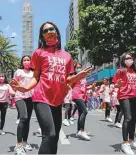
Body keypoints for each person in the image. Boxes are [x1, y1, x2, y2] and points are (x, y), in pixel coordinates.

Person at [10, 21, 92, 154]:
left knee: (54, 139)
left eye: (51, 29)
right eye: (45, 31)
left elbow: (68, 80)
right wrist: (24, 88)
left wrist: (78, 76)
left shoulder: (67, 56)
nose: (49, 32)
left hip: (57, 100)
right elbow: (36, 77)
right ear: (42, 36)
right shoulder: (38, 53)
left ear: (56, 31)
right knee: (50, 135)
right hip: (41, 97)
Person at [112, 52, 136, 155]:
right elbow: (115, 85)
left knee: (134, 119)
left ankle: (132, 140)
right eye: (127, 58)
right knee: (128, 118)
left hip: (133, 96)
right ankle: (125, 143)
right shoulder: (120, 71)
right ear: (123, 60)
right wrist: (117, 84)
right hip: (123, 96)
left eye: (131, 58)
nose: (129, 60)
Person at [12, 55, 34, 154]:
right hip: (19, 97)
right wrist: (14, 91)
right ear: (22, 62)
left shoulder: (33, 73)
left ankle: (25, 142)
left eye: (28, 60)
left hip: (30, 98)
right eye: (24, 60)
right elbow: (13, 83)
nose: (26, 62)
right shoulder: (18, 71)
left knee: (28, 120)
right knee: (23, 117)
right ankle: (19, 144)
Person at [72, 62, 91, 141]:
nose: (79, 69)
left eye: (80, 67)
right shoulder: (74, 76)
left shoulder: (83, 77)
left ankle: (78, 131)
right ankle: (82, 131)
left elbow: (84, 87)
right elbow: (71, 84)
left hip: (82, 96)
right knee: (85, 111)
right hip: (77, 95)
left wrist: (90, 88)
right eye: (77, 67)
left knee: (80, 113)